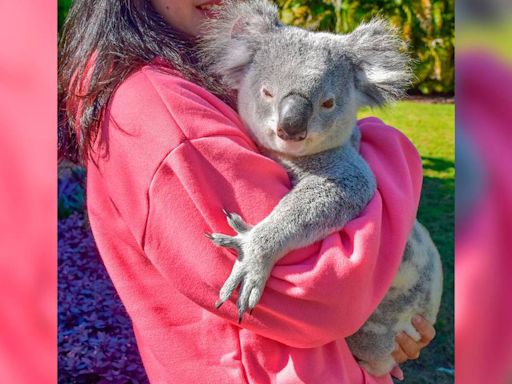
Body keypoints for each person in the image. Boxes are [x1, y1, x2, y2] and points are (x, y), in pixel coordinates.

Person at [58, 1, 436, 383]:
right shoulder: (165, 111)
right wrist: (391, 153)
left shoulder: (204, 70)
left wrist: (387, 321)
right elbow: (325, 298)